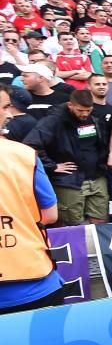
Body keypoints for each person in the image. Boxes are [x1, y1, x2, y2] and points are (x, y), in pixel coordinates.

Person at [0, 84, 63, 315]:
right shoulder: (23, 155)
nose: (9, 115)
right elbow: (49, 215)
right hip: (32, 283)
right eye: (5, 107)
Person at [24, 89, 110, 226]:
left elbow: (103, 143)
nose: (85, 114)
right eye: (80, 110)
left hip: (96, 176)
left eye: (88, 110)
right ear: (70, 105)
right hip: (69, 179)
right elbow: (31, 144)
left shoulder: (95, 117)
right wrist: (52, 166)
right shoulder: (53, 120)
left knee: (100, 220)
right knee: (71, 223)